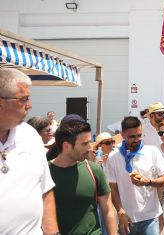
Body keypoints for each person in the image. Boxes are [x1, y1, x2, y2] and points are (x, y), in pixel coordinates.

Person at [0, 68, 58, 235]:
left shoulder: (30, 135)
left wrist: (53, 233)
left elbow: (45, 190)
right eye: (23, 99)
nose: (30, 105)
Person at [49, 119, 118, 235]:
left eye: (89, 142)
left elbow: (108, 210)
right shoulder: (44, 173)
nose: (89, 148)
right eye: (84, 144)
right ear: (66, 146)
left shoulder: (94, 170)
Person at [106, 116, 164, 235]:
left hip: (150, 217)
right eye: (132, 137)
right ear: (122, 134)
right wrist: (120, 211)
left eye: (139, 135)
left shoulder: (152, 152)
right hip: (127, 219)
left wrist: (148, 182)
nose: (136, 140)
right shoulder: (113, 157)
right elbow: (112, 188)